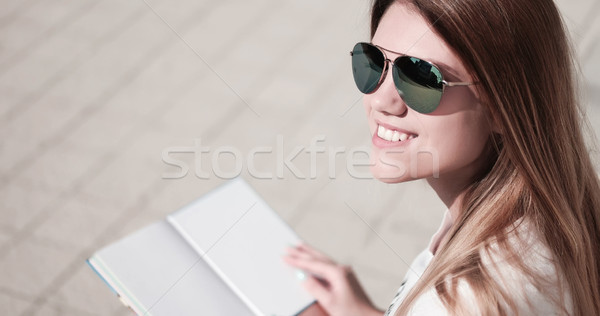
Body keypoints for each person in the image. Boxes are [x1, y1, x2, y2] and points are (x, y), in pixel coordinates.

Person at [282, 0, 600, 315]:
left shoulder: (465, 298)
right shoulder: (555, 211)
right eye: (373, 62)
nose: (380, 99)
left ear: (504, 106)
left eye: (421, 78)